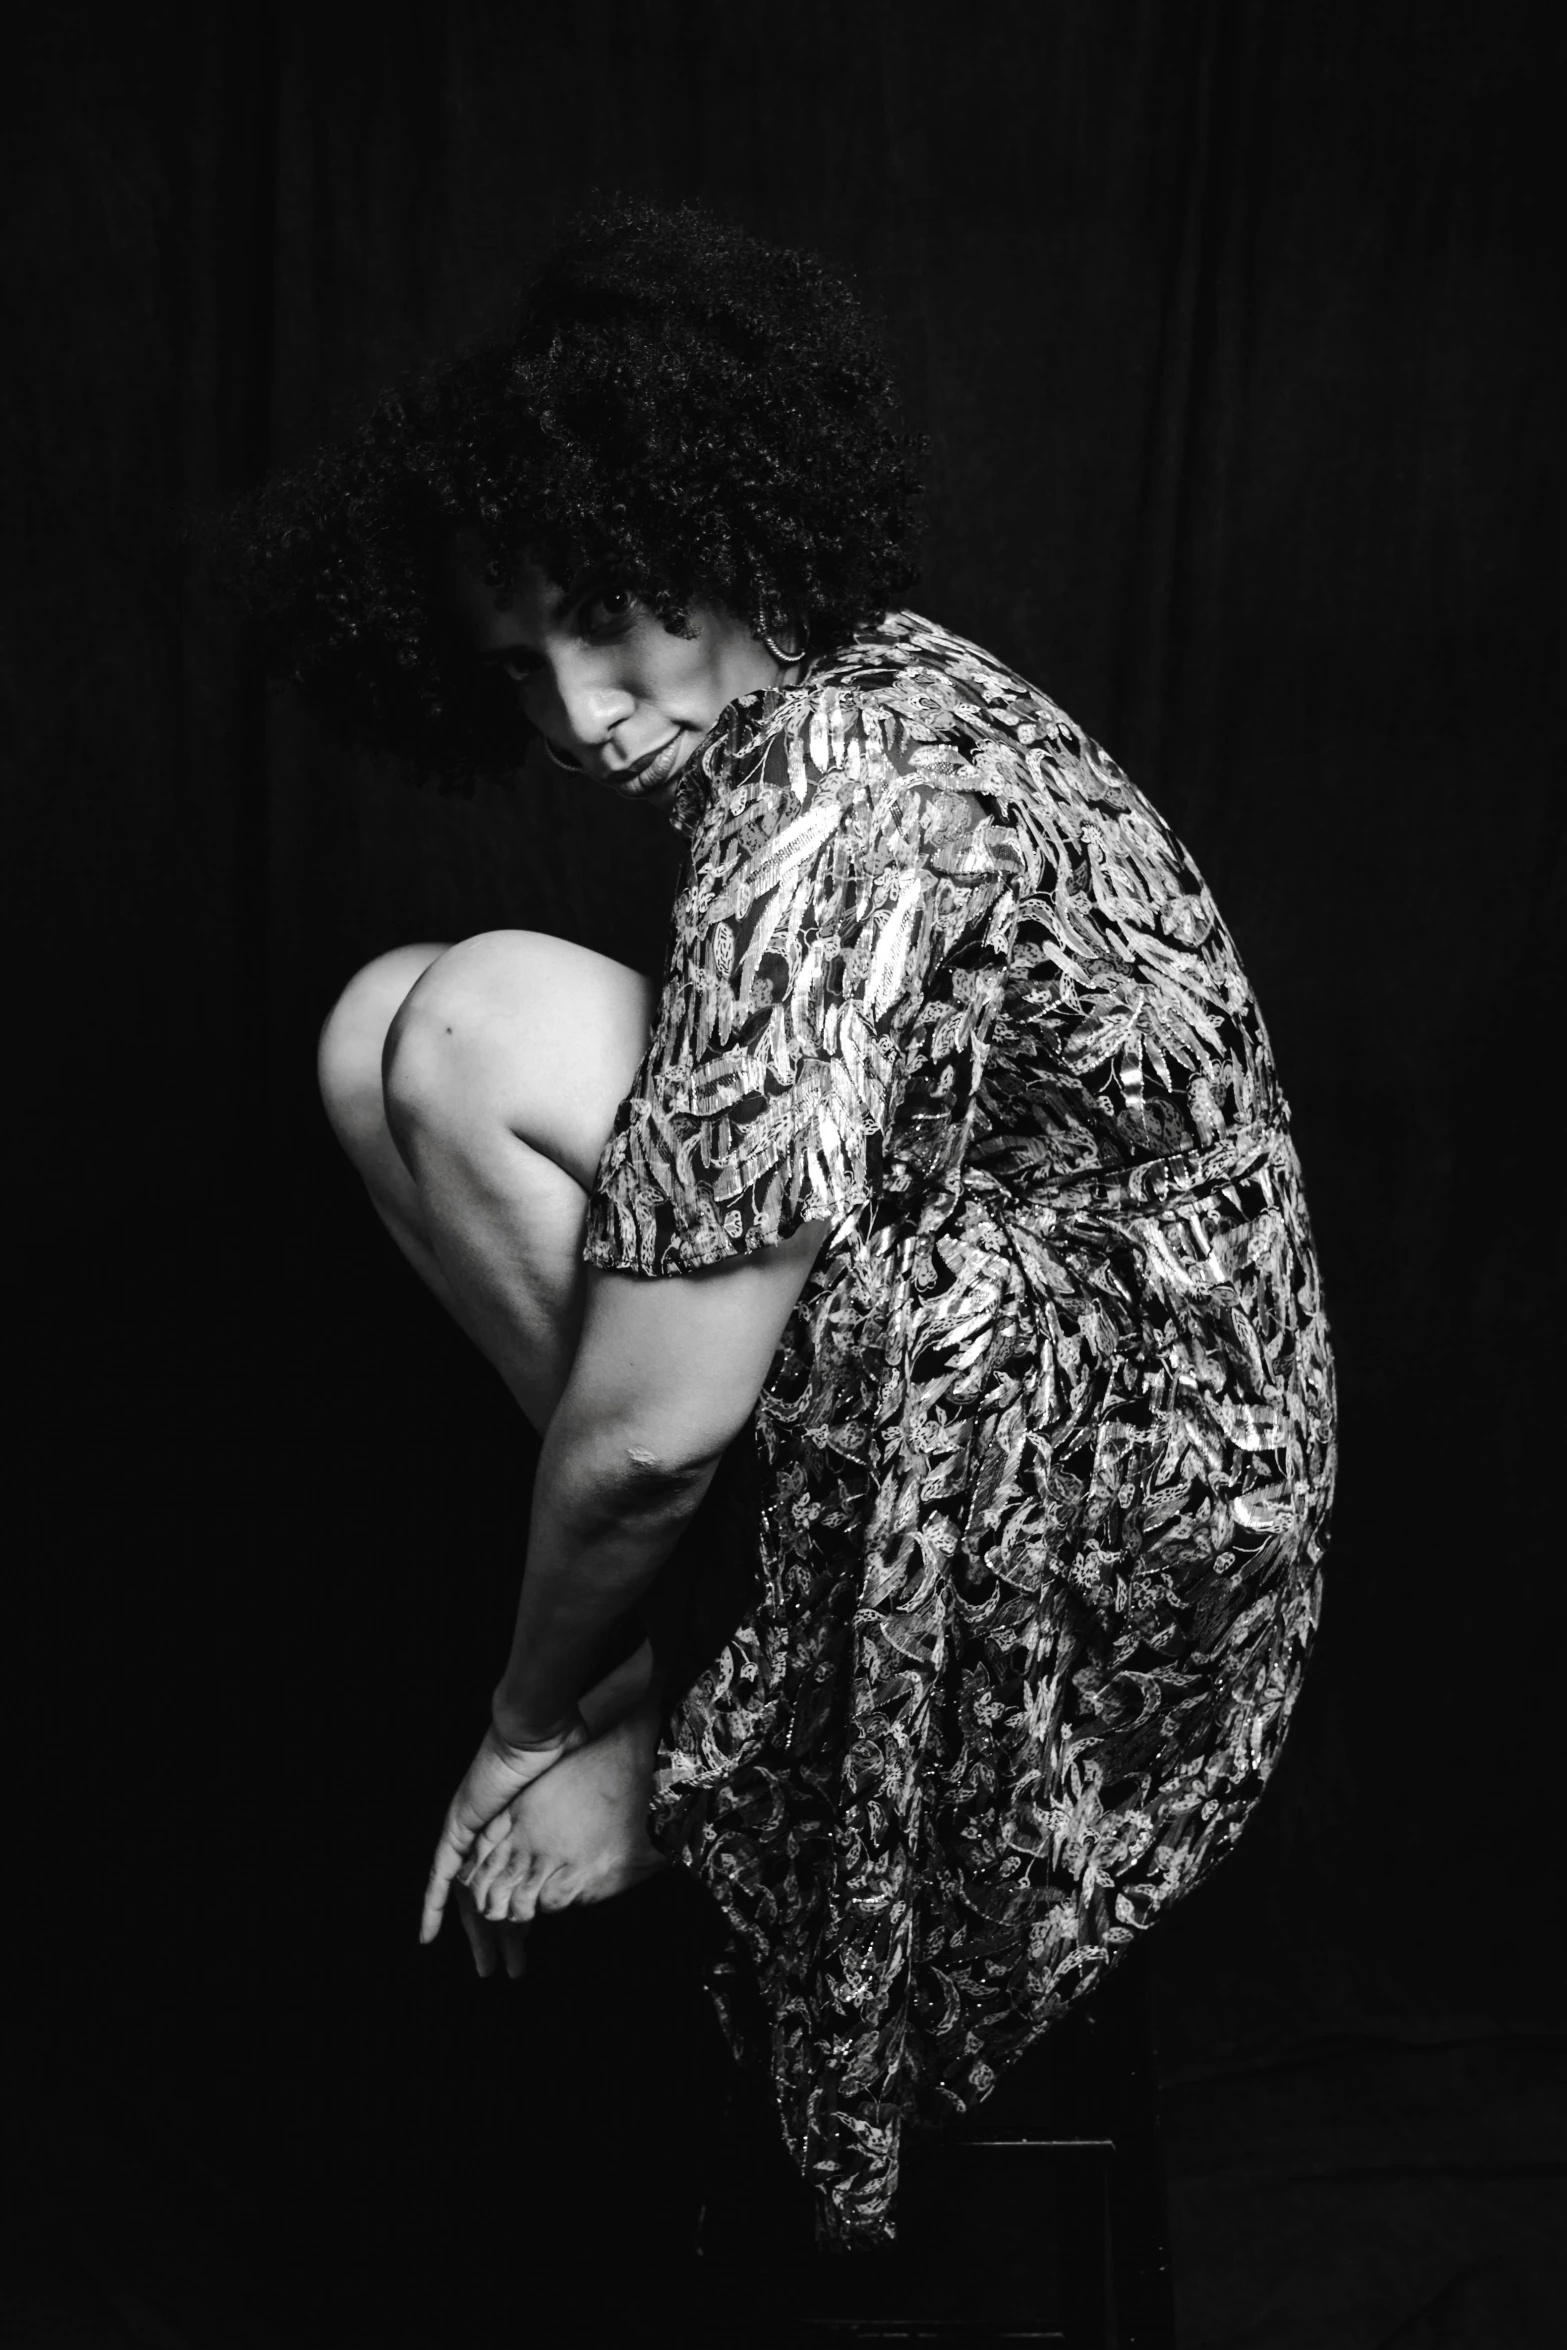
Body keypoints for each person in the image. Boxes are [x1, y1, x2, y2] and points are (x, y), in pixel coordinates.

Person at [228, 197, 1337, 2252]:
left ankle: (715, 1716)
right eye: (516, 662)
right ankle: (728, 1656)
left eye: (605, 609)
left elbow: (655, 1426)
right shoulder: (847, 710)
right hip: (1048, 1383)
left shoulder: (833, 796)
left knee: (466, 1028)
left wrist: (532, 1709)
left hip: (1120, 1543)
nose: (578, 709)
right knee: (386, 1027)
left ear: (718, 530)